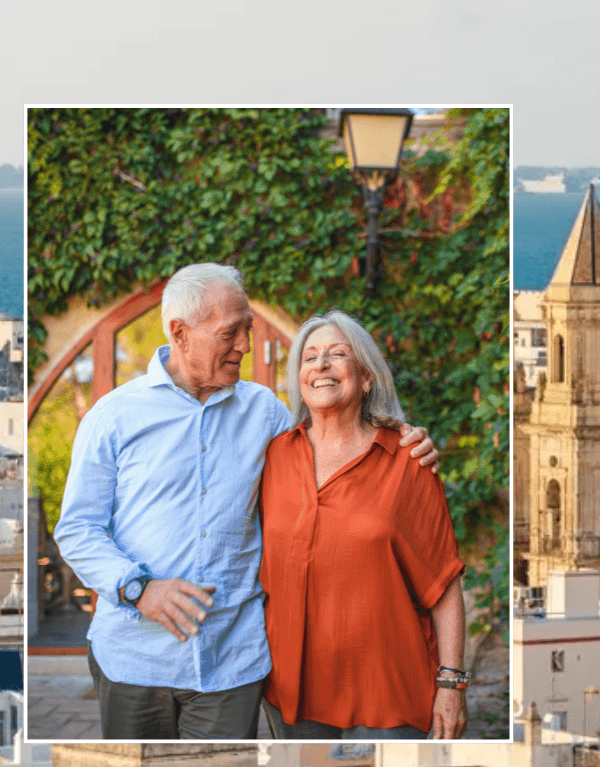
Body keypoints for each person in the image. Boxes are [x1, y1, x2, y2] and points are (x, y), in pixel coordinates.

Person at [53, 264, 437, 739]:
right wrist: (139, 589)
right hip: (134, 657)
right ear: (180, 332)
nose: (245, 347)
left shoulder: (267, 414)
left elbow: (337, 446)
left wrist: (404, 439)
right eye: (229, 333)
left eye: (249, 331)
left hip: (230, 660)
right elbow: (77, 528)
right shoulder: (112, 417)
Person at [259, 310, 468, 739]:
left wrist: (451, 683)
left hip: (387, 692)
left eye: (337, 355)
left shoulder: (408, 461)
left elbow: (443, 584)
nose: (320, 365)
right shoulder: (274, 456)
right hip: (292, 691)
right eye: (309, 357)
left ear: (367, 378)